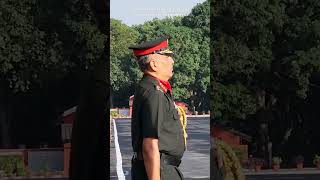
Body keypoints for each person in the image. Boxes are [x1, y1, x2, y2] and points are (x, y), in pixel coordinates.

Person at [129, 36, 185, 180]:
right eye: (167, 56)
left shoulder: (149, 87)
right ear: (154, 64)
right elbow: (150, 145)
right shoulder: (155, 92)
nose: (172, 61)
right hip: (160, 171)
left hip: (161, 168)